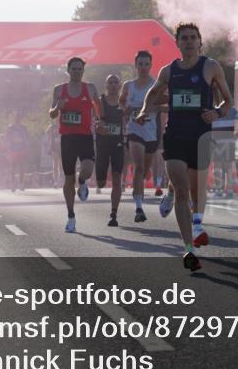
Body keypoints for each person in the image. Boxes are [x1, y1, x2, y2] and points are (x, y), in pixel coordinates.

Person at [136, 22, 233, 272]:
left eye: (193, 38)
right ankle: (188, 249)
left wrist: (218, 112)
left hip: (201, 137)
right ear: (177, 43)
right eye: (184, 38)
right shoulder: (169, 71)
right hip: (175, 136)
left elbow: (228, 99)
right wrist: (146, 111)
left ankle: (196, 223)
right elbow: (153, 93)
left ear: (200, 42)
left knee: (196, 191)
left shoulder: (211, 67)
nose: (189, 42)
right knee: (182, 190)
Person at [49, 57, 101, 233]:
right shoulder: (59, 90)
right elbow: (51, 114)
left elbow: (98, 107)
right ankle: (71, 216)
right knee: (68, 179)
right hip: (68, 139)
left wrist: (100, 122)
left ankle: (82, 181)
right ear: (68, 70)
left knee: (87, 168)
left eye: (80, 69)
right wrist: (58, 107)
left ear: (83, 70)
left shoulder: (90, 88)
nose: (77, 71)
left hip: (85, 136)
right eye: (74, 69)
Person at [120, 50, 161, 223]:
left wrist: (152, 108)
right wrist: (126, 110)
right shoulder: (128, 85)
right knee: (139, 167)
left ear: (150, 65)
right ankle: (138, 207)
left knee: (144, 169)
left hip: (152, 131)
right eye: (140, 64)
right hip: (134, 130)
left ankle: (146, 170)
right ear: (135, 65)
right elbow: (121, 102)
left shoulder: (156, 85)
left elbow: (163, 104)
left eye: (146, 64)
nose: (143, 67)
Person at [96, 74, 127, 226]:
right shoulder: (101, 101)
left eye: (116, 82)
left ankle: (113, 214)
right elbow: (94, 120)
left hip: (118, 145)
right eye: (111, 82)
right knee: (101, 182)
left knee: (117, 178)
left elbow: (129, 120)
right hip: (102, 145)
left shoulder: (123, 102)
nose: (114, 85)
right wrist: (98, 126)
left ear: (120, 85)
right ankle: (86, 181)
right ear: (106, 85)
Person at [210, 98, 238, 198]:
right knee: (228, 167)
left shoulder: (212, 110)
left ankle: (218, 190)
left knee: (218, 166)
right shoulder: (232, 110)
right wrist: (237, 135)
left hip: (216, 143)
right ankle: (229, 190)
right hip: (228, 142)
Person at [4, 113, 31, 192]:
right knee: (12, 167)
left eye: (18, 118)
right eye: (16, 118)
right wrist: (8, 148)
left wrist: (27, 146)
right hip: (12, 150)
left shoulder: (24, 128)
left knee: (21, 167)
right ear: (14, 119)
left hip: (21, 149)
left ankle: (21, 183)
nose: (17, 120)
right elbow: (6, 137)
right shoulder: (10, 128)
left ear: (20, 119)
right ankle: (12, 183)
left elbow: (27, 138)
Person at [45, 119, 63, 188]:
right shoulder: (53, 126)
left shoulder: (63, 125)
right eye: (57, 120)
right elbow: (47, 132)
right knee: (55, 165)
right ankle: (55, 181)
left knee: (60, 166)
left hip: (61, 148)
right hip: (54, 148)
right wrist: (50, 127)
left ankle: (59, 180)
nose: (58, 121)